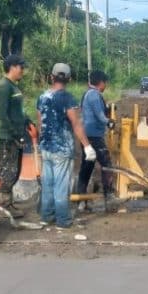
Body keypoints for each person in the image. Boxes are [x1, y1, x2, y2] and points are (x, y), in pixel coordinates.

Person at [36, 63, 96, 229]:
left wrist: (40, 142)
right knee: (61, 186)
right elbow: (76, 124)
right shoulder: (68, 99)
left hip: (46, 147)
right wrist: (87, 146)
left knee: (48, 184)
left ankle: (47, 216)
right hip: (62, 149)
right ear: (69, 79)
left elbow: (40, 122)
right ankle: (63, 220)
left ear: (51, 76)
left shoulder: (42, 97)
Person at [0, 54, 34, 216]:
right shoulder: (4, 87)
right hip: (7, 137)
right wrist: (16, 135)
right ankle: (3, 205)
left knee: (15, 171)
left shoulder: (14, 86)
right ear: (12, 67)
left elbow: (19, 111)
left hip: (17, 134)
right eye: (20, 67)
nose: (22, 70)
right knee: (8, 171)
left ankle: (7, 202)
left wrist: (28, 122)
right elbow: (2, 115)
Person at [76, 69, 116, 210]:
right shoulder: (94, 95)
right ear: (101, 82)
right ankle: (109, 197)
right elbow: (100, 116)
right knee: (106, 165)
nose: (105, 86)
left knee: (87, 167)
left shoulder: (88, 94)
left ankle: (81, 200)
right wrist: (110, 122)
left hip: (88, 136)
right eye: (105, 83)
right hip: (94, 137)